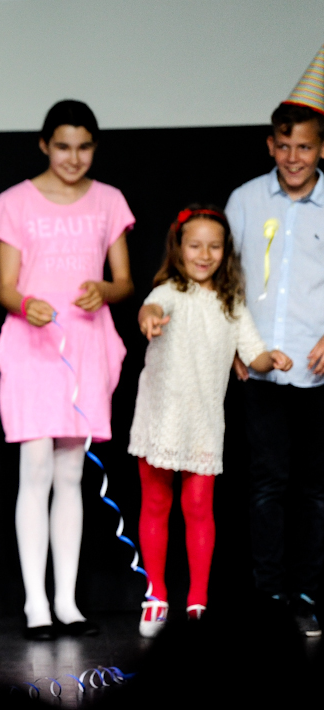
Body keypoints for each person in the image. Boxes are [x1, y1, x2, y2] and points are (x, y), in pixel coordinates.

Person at [0, 100, 135, 639]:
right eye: (63, 146)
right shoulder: (15, 202)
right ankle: (35, 604)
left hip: (86, 344)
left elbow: (123, 281)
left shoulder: (109, 200)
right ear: (44, 145)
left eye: (84, 147)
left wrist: (104, 290)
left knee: (72, 473)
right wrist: (26, 305)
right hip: (33, 345)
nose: (73, 157)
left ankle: (67, 602)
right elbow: (5, 287)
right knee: (36, 469)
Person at [129, 206, 292, 637]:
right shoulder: (168, 291)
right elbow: (150, 308)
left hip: (203, 420)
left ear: (226, 251)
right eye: (195, 245)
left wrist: (269, 359)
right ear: (178, 247)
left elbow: (253, 351)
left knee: (199, 509)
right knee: (156, 504)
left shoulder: (230, 302)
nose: (205, 255)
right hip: (160, 416)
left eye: (214, 247)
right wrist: (149, 318)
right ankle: (156, 595)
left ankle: (197, 601)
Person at [224, 50, 324, 637]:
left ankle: (307, 594)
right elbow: (227, 279)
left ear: (321, 149)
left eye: (304, 147)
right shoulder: (245, 200)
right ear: (269, 145)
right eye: (283, 146)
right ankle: (269, 596)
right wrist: (240, 347)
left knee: (314, 489)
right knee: (265, 484)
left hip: (317, 370)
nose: (293, 158)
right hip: (261, 369)